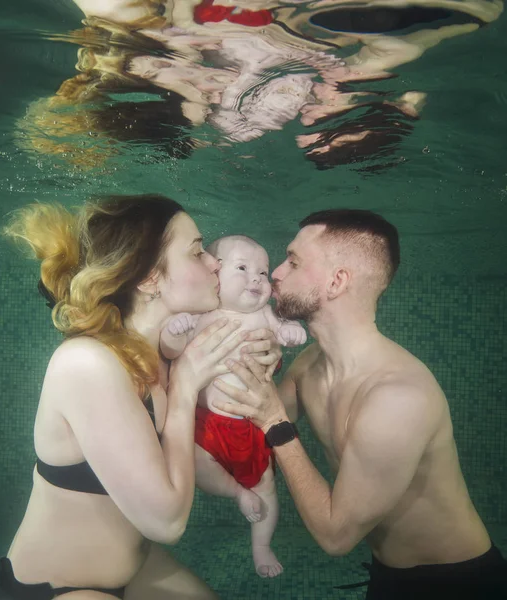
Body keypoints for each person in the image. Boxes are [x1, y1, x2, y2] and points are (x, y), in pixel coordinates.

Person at [0, 194, 281, 600]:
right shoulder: (88, 363)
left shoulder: (162, 352)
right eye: (196, 251)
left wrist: (263, 358)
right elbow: (167, 523)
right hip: (58, 588)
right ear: (149, 279)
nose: (214, 262)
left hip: (136, 567)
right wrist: (186, 388)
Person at [211, 209, 507, 599]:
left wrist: (276, 421)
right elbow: (244, 424)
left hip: (458, 582)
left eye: (293, 260)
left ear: (337, 282)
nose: (276, 273)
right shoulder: (309, 365)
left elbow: (336, 537)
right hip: (388, 575)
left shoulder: (398, 397)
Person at [159, 235, 306, 578]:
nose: (256, 279)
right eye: (242, 269)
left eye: (263, 273)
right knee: (195, 463)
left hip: (248, 427)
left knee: (267, 485)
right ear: (216, 277)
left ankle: (261, 546)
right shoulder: (201, 313)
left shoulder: (265, 316)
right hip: (206, 424)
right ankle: (237, 493)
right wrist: (174, 329)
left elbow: (284, 334)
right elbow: (170, 346)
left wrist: (291, 330)